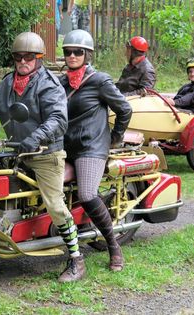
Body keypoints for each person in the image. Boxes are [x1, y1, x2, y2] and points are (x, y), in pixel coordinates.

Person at [0, 32, 85, 282]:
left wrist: (36, 137)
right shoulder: (7, 84)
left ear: (38, 58)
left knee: (55, 205)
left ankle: (76, 258)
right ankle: (0, 232)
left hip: (45, 153)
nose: (23, 61)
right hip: (17, 150)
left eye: (29, 56)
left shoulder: (48, 84)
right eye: (18, 56)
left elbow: (58, 119)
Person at [60, 30, 132, 273]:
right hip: (66, 146)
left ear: (87, 54)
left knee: (88, 193)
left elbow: (124, 109)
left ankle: (113, 245)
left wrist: (114, 138)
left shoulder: (99, 81)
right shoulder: (61, 83)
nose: (72, 56)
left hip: (91, 147)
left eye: (77, 52)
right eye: (68, 51)